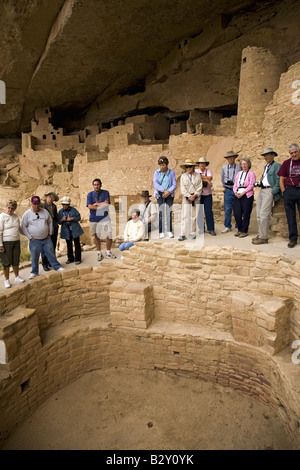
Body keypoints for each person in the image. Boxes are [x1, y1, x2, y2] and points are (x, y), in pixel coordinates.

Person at [21, 195, 64, 279]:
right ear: (31, 204)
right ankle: (34, 271)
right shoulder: (27, 214)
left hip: (46, 238)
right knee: (35, 256)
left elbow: (50, 222)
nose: (36, 206)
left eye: (37, 204)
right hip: (34, 240)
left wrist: (50, 233)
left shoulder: (44, 211)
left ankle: (57, 267)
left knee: (51, 252)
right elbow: (23, 227)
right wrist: (30, 237)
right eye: (34, 204)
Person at [252, 148, 281, 245]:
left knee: (264, 214)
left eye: (268, 155)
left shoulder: (276, 165)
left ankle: (263, 237)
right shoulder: (266, 166)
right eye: (265, 155)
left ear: (273, 155)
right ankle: (261, 234)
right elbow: (265, 178)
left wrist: (274, 191)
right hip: (262, 190)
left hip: (269, 190)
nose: (266, 157)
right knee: (259, 214)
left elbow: (279, 179)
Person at [86, 178, 116, 261]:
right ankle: (99, 252)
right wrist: (101, 206)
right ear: (93, 186)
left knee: (109, 234)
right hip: (94, 218)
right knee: (97, 235)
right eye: (95, 185)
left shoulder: (105, 192)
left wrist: (96, 205)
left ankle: (108, 252)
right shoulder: (90, 195)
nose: (96, 186)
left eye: (98, 184)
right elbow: (89, 206)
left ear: (100, 185)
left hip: (105, 218)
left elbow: (106, 204)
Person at [277, 143, 300, 248]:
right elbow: (281, 178)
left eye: (295, 152)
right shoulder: (286, 163)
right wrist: (284, 191)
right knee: (290, 216)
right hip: (289, 191)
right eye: (292, 153)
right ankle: (293, 239)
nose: (294, 154)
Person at [0, 200, 25, 288]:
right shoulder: (2, 217)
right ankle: (7, 280)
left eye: (12, 208)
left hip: (16, 241)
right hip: (6, 242)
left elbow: (19, 228)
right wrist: (0, 244)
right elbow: (0, 231)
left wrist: (29, 235)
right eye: (9, 207)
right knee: (6, 262)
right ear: (6, 207)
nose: (10, 210)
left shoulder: (16, 216)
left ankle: (17, 276)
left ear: (15, 209)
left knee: (15, 260)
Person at [178, 159, 203, 241]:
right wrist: (189, 196)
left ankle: (192, 232)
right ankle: (183, 233)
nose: (188, 168)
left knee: (194, 216)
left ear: (193, 167)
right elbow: (183, 189)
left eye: (190, 166)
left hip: (195, 197)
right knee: (185, 215)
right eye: (187, 167)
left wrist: (194, 195)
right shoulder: (183, 176)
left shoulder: (197, 176)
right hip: (186, 197)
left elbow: (200, 187)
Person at [153, 156, 177, 239]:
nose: (161, 167)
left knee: (168, 212)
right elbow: (155, 183)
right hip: (160, 194)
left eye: (163, 165)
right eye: (160, 165)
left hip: (169, 195)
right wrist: (163, 191)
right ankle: (161, 231)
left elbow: (174, 184)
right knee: (161, 213)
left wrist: (168, 192)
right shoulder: (156, 172)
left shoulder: (171, 173)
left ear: (166, 165)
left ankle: (169, 231)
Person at [232, 158, 256, 238]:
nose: (244, 165)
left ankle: (244, 230)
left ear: (248, 164)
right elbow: (235, 184)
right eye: (242, 164)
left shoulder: (251, 174)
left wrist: (243, 192)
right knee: (237, 212)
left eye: (245, 164)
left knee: (246, 213)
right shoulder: (239, 173)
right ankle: (239, 229)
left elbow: (251, 185)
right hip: (237, 194)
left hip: (246, 194)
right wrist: (235, 192)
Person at [58, 196, 84, 265]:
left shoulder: (73, 210)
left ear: (69, 204)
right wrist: (62, 220)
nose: (64, 206)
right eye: (63, 204)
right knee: (69, 245)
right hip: (67, 231)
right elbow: (59, 222)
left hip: (74, 230)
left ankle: (78, 258)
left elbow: (78, 217)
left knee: (77, 244)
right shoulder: (60, 212)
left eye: (66, 204)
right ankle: (70, 258)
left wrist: (72, 218)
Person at [221, 151, 241, 233]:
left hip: (236, 190)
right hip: (228, 190)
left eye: (232, 157)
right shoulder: (224, 168)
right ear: (227, 159)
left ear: (234, 158)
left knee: (237, 209)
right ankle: (227, 226)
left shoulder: (239, 167)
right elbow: (222, 179)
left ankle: (238, 226)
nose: (230, 159)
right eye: (229, 158)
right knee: (227, 209)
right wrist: (225, 187)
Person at [195, 157, 216, 236]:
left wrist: (201, 177)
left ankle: (211, 228)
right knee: (199, 212)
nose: (202, 165)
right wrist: (207, 180)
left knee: (209, 212)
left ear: (205, 164)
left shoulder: (209, 171)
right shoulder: (196, 171)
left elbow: (210, 178)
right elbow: (197, 178)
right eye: (200, 163)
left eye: (203, 163)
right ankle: (201, 228)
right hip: (199, 194)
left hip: (207, 194)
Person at [40, 191, 59, 271]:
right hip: (45, 229)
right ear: (46, 197)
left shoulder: (54, 206)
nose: (50, 199)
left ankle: (51, 261)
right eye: (49, 197)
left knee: (53, 245)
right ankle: (44, 264)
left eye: (52, 197)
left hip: (53, 228)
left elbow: (55, 217)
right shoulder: (42, 206)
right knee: (45, 247)